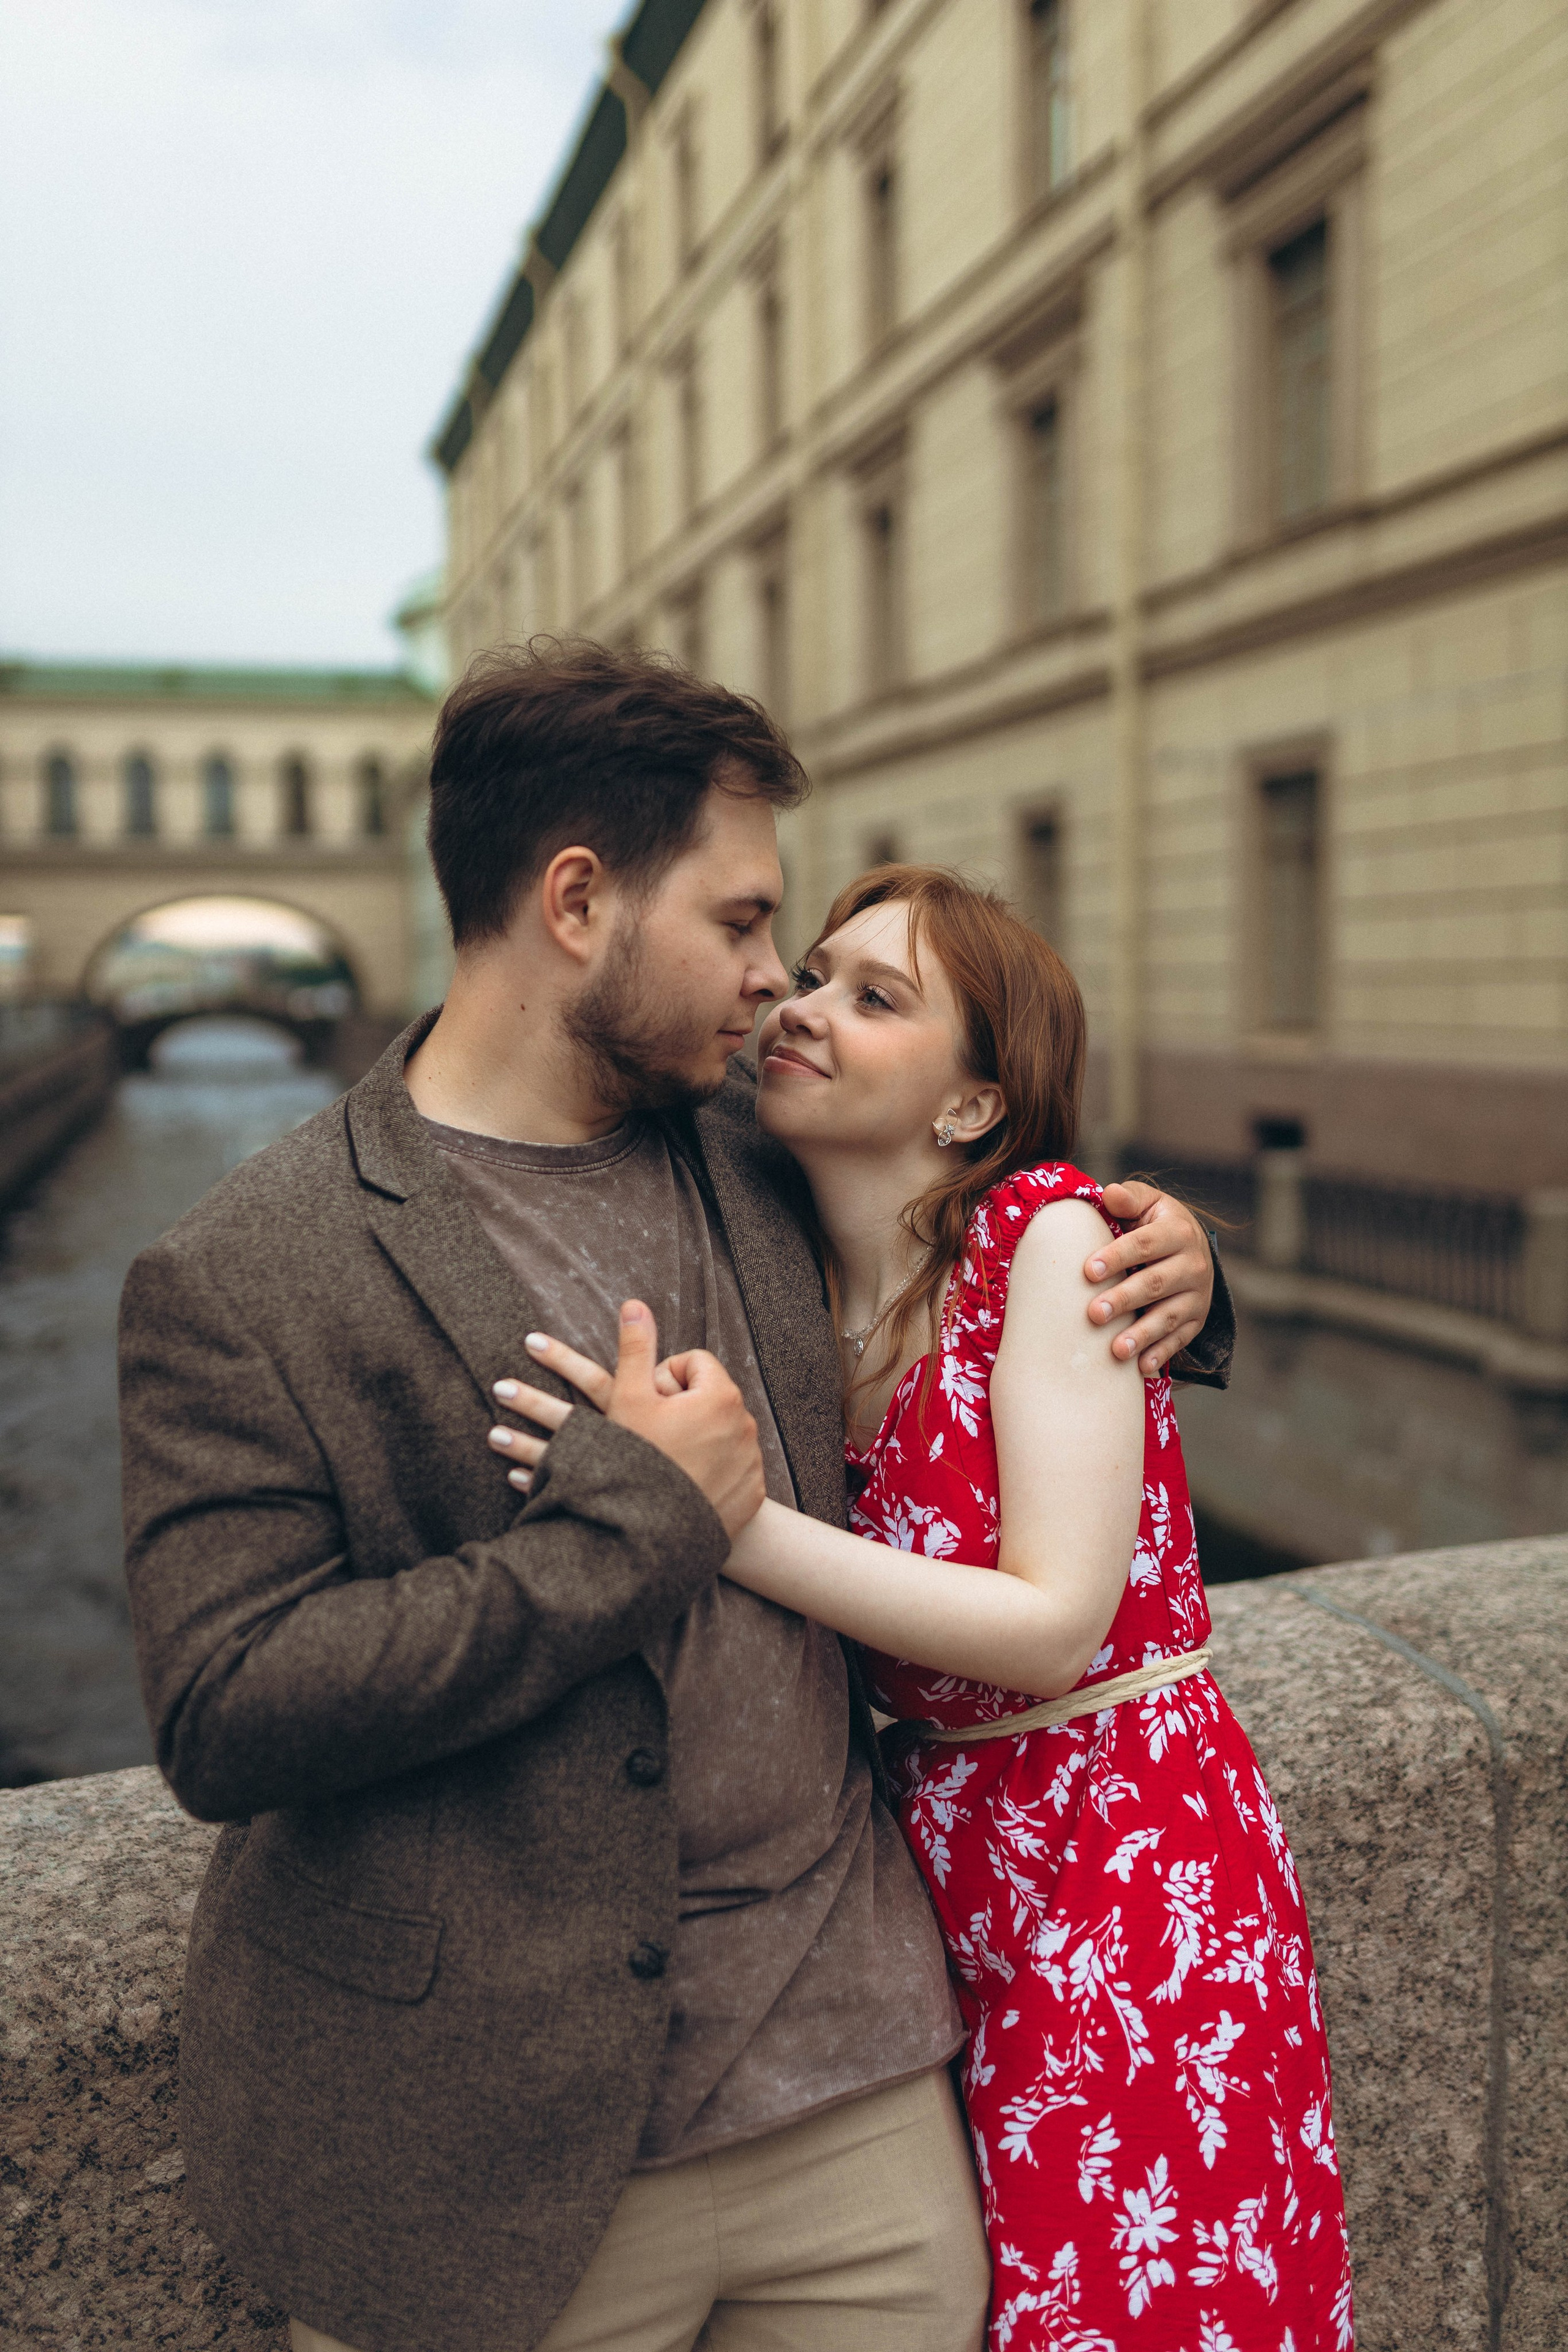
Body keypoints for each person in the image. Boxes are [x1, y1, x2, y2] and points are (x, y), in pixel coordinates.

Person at [118, 642, 1232, 2352]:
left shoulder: (762, 1146)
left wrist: (1183, 1269)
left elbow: (969, 1236)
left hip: (859, 2094)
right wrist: (622, 1530)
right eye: (736, 923)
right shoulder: (246, 1271)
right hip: (501, 2159)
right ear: (579, 902)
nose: (774, 982)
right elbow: (225, 1711)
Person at [505, 862, 1352, 2352]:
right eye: (813, 972)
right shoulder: (771, 1243)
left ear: (969, 1107)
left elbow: (1045, 1627)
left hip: (1122, 1861)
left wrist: (726, 1521)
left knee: (1125, 2298)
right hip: (937, 1871)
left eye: (873, 997)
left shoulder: (1045, 1239)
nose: (803, 1005)